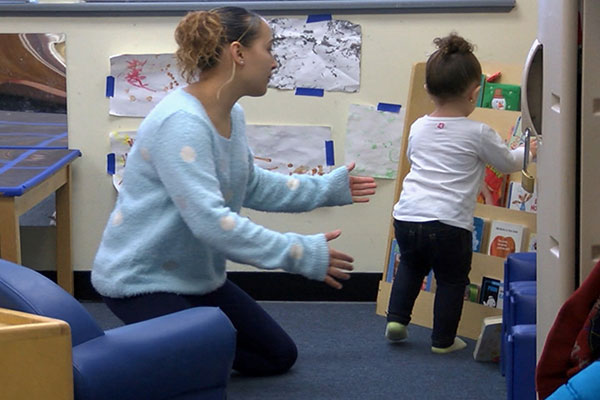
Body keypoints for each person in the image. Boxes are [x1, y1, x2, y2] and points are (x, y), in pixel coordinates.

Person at [91, 7, 376, 376]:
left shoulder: (230, 114)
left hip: (196, 279)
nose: (274, 62)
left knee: (277, 356)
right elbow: (213, 223)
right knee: (202, 368)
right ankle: (116, 356)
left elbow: (251, 183)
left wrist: (323, 188)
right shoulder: (182, 123)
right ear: (239, 53)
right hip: (140, 281)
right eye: (269, 49)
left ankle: (171, 348)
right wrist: (297, 253)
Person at [384, 33, 537, 354]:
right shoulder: (478, 132)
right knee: (452, 281)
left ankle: (396, 321)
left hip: (408, 216)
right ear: (475, 93)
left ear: (427, 90)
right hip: (449, 224)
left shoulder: (417, 126)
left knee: (410, 267)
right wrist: (531, 150)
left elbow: (415, 160)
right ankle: (442, 341)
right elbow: (507, 161)